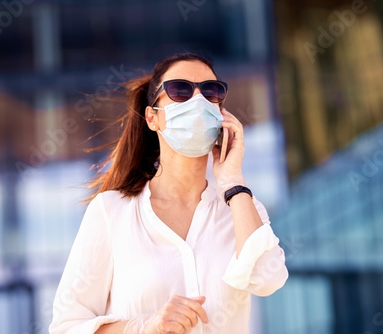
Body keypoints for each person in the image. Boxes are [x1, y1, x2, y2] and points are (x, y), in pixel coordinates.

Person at [49, 52, 288, 334]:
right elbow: (67, 327)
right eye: (180, 91)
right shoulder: (111, 211)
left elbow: (269, 278)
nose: (197, 101)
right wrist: (144, 326)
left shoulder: (240, 206)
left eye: (211, 92)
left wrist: (233, 180)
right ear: (152, 118)